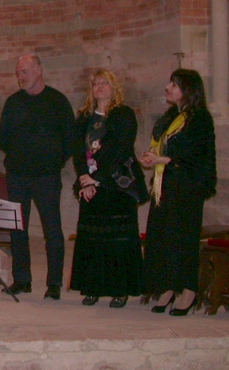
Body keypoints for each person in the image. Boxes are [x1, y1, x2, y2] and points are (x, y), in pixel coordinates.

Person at [0, 54, 76, 300]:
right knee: (17, 229)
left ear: (39, 70)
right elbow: (3, 139)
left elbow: (70, 138)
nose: (21, 77)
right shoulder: (13, 102)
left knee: (52, 229)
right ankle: (22, 279)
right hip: (17, 175)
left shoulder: (57, 101)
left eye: (25, 72)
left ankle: (54, 283)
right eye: (18, 73)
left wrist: (53, 161)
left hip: (46, 176)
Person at [140, 68, 216, 316]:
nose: (167, 87)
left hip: (187, 188)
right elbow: (163, 147)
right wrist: (152, 157)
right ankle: (166, 287)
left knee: (183, 239)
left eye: (174, 84)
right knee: (162, 238)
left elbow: (197, 157)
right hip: (165, 186)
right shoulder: (169, 118)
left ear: (188, 90)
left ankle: (188, 291)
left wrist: (162, 160)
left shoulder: (200, 119)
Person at [69, 70, 146, 308]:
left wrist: (97, 179)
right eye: (96, 84)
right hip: (90, 183)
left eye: (105, 83)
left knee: (117, 241)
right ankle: (92, 287)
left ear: (114, 87)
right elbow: (78, 150)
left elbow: (119, 150)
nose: (100, 87)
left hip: (116, 184)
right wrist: (84, 178)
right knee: (93, 239)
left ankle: (120, 289)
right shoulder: (84, 117)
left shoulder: (123, 114)